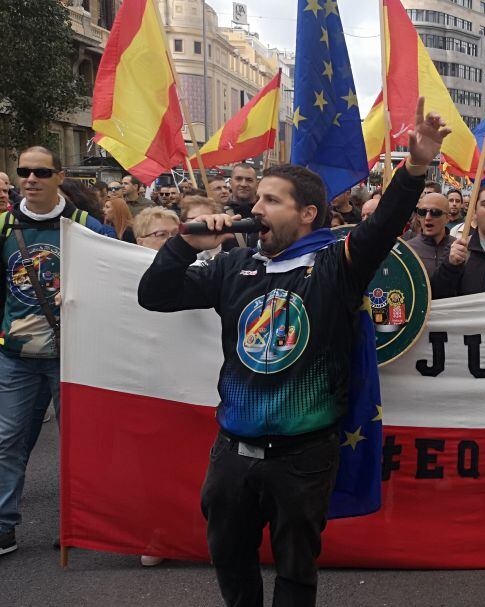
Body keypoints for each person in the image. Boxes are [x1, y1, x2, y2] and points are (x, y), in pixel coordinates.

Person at [137, 102, 449, 606]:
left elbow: (384, 226)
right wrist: (185, 242)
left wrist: (415, 168)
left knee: (295, 571)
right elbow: (155, 295)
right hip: (232, 454)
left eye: (271, 200)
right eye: (255, 198)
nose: (255, 209)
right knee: (231, 560)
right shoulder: (233, 264)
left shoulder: (334, 267)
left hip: (303, 458)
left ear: (307, 214)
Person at [0, 146, 107, 558]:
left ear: (59, 176)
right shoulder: (5, 227)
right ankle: (4, 525)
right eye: (23, 171)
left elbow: (113, 284)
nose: (30, 179)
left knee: (77, 443)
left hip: (73, 356)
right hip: (17, 357)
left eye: (41, 172)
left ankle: (77, 525)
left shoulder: (88, 227)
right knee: (7, 439)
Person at [406, 192, 455, 279]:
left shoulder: (457, 248)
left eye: (435, 212)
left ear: (447, 218)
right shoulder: (408, 250)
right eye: (422, 212)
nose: (428, 217)